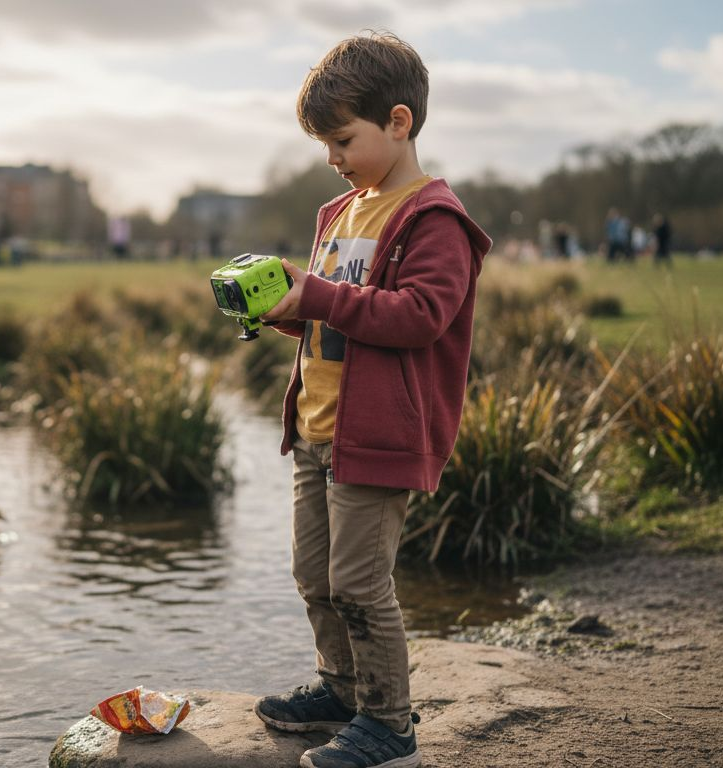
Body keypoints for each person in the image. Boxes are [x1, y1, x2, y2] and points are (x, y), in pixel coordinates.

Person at [253, 31, 491, 768]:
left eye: (341, 139)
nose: (331, 156)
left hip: (380, 434)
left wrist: (319, 292)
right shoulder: (337, 212)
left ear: (398, 122)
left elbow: (421, 315)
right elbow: (332, 312)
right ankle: (343, 688)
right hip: (319, 429)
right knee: (314, 576)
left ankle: (389, 724)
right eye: (324, 143)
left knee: (359, 583)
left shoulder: (433, 220)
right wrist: (281, 303)